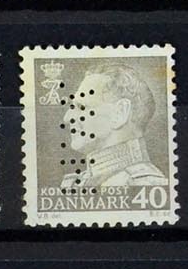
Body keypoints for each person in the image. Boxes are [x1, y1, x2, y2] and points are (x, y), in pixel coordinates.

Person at [58, 59, 168, 193]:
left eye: (81, 107)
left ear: (119, 113)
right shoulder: (77, 183)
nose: (67, 118)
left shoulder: (144, 184)